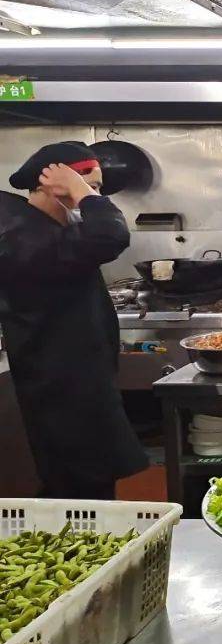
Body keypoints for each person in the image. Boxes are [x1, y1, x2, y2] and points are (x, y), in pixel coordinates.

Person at [0, 141, 147, 498]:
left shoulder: (48, 230)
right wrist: (84, 193)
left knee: (93, 487)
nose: (92, 195)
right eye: (90, 186)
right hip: (60, 392)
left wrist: (81, 189)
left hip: (80, 384)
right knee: (78, 494)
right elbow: (111, 235)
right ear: (55, 184)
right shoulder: (22, 235)